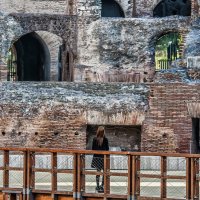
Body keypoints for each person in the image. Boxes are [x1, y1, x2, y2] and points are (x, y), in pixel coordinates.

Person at [91, 126, 109, 193]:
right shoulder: (106, 139)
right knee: (104, 172)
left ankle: (97, 186)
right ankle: (102, 186)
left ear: (98, 131)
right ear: (104, 132)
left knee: (98, 172)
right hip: (103, 158)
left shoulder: (94, 139)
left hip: (97, 158)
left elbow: (93, 149)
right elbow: (107, 149)